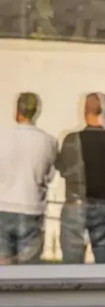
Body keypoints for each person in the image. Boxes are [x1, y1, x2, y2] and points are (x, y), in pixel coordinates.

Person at [57, 93, 105, 264]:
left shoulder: (70, 140)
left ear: (84, 112)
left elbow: (62, 169)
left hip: (75, 204)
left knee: (71, 267)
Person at [0, 93, 58, 265]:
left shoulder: (2, 137)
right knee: (28, 271)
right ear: (36, 112)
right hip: (32, 207)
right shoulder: (49, 141)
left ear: (17, 111)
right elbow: (50, 175)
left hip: (3, 205)